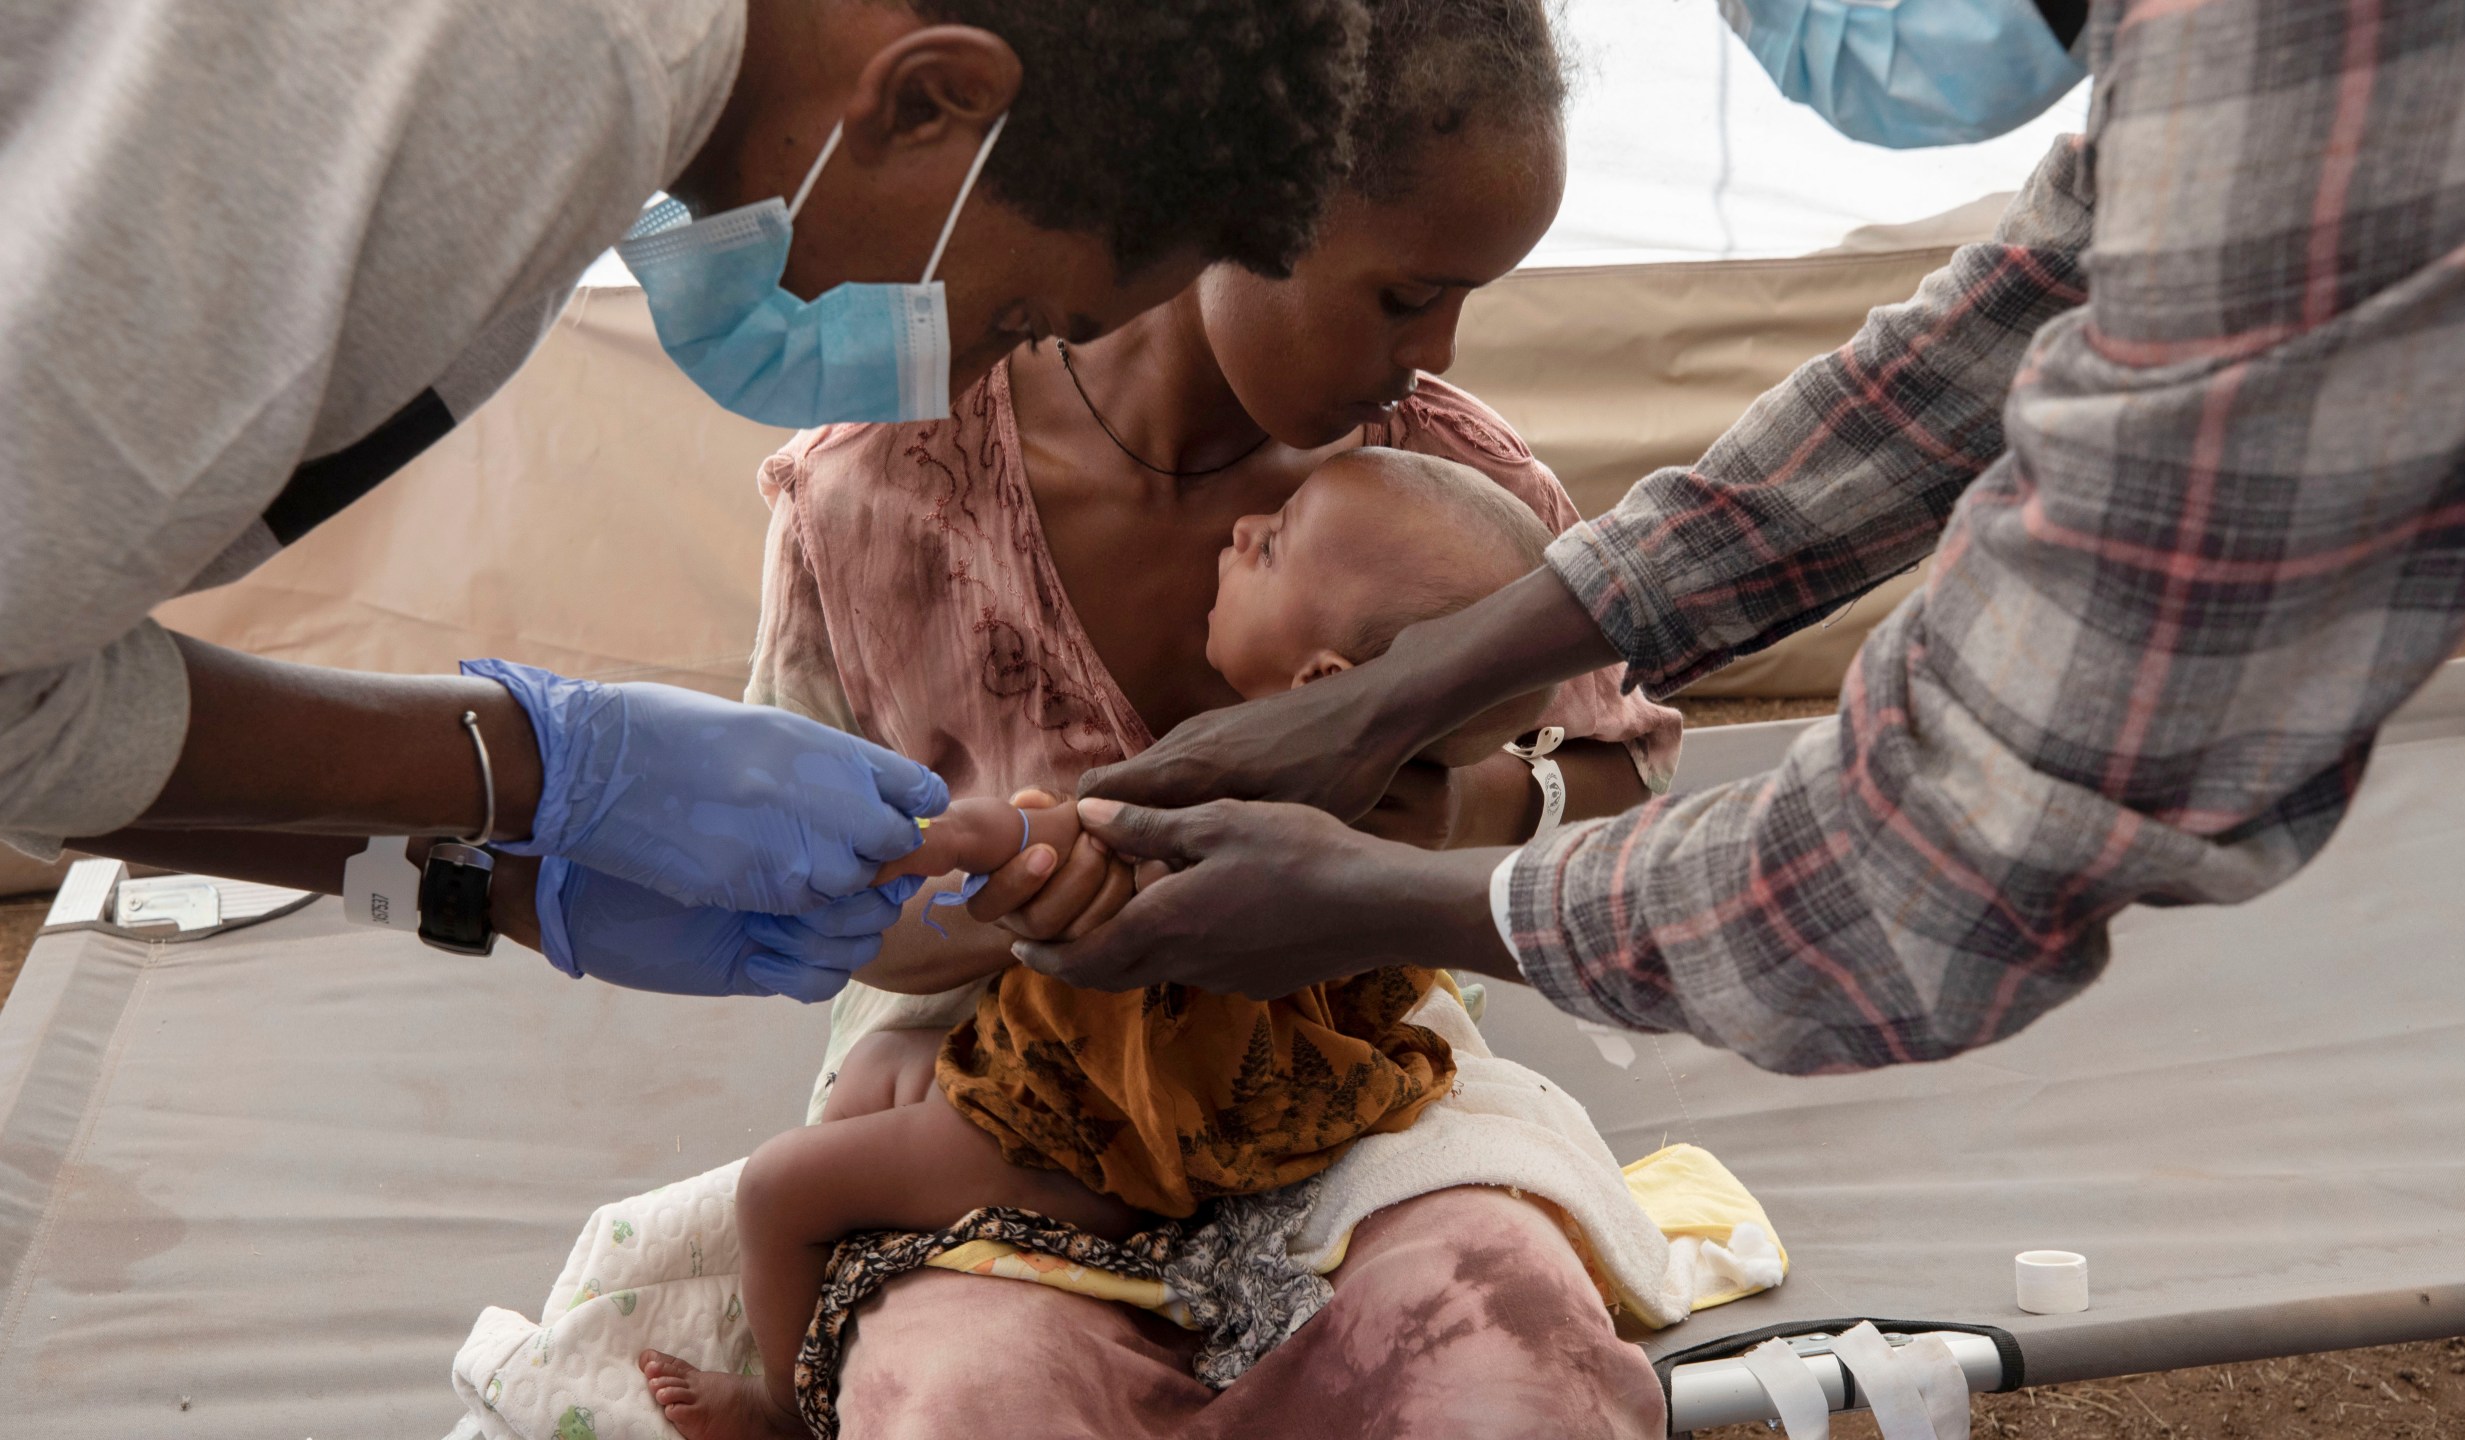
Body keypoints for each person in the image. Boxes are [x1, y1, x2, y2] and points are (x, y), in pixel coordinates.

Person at [1035, 0, 2465, 1072]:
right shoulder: (2214, 48)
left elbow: (1938, 864)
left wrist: (1382, 894)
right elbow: (1985, 347)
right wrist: (1400, 695)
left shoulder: (2347, 63)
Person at [619, 7, 1682, 1432]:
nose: (1433, 355)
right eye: (1405, 293)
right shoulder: (883, 497)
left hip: (1331, 1082)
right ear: (1248, 211)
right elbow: (812, 898)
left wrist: (1437, 811)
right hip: (990, 1076)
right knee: (967, 1398)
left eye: (1467, 299)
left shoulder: (1445, 495)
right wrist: (1012, 922)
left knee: (1502, 1360)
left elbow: (1619, 786)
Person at [0, 0, 1365, 999]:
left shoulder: (603, 84)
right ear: (925, 98)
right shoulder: (539, 62)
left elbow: (36, 693)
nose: (950, 388)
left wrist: (504, 880)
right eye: (1009, 315)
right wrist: (548, 762)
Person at [639, 450, 1577, 1440]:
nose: (1246, 526)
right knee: (879, 1061)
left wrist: (981, 838)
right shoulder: (1378, 810)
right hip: (1157, 1077)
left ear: (1325, 679)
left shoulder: (1258, 784)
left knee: (781, 1189)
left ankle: (786, 1411)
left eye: (1278, 541)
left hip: (1114, 1125)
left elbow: (1091, 840)